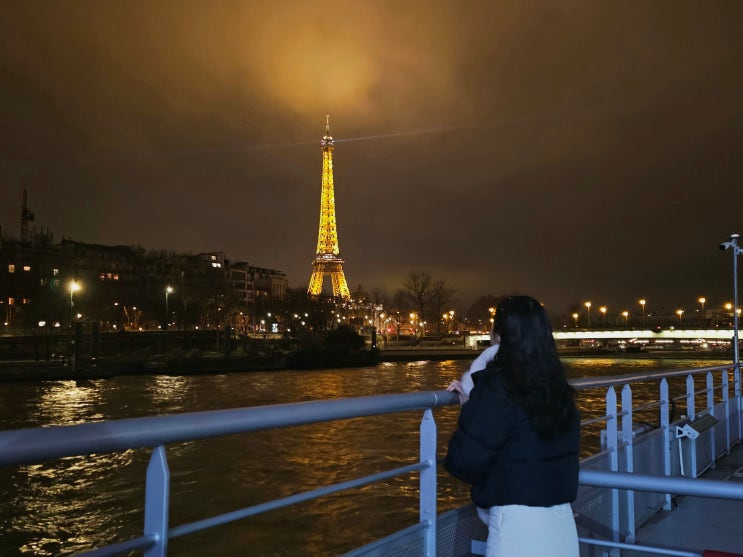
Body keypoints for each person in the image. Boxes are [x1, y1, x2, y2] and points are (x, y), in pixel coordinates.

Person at [444, 295, 580, 557]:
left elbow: (463, 461)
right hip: (562, 523)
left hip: (517, 528)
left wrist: (471, 407)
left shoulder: (499, 387)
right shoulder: (559, 389)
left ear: (498, 336)